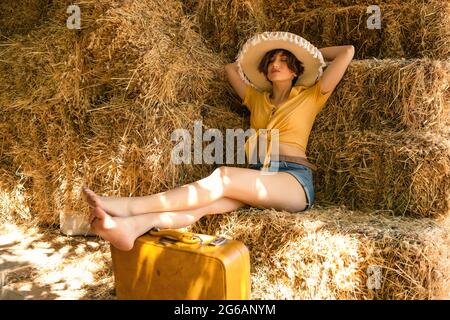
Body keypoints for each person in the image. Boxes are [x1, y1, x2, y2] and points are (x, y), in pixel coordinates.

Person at [83, 31, 354, 251]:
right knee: (202, 205)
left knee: (223, 176)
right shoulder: (257, 99)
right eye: (271, 59)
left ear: (295, 69)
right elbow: (230, 69)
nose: (276, 64)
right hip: (260, 175)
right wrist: (273, 53)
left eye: (284, 60)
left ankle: (129, 205)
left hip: (292, 179)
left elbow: (347, 52)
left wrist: (307, 50)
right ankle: (131, 229)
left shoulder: (312, 94)